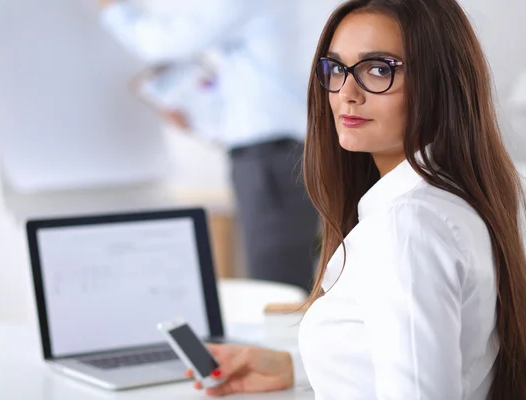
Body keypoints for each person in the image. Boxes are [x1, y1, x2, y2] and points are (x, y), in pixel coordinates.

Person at [180, 0, 526, 398]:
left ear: (440, 81)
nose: (347, 93)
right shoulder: (450, 199)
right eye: (336, 69)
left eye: (378, 69)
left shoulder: (409, 224)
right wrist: (293, 367)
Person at [96, 0, 320, 292]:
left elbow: (161, 43)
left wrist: (112, 8)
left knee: (276, 287)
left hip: (269, 161)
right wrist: (201, 118)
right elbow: (259, 83)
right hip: (275, 156)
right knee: (280, 282)